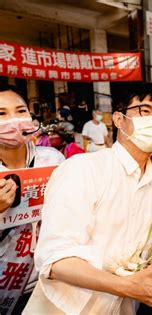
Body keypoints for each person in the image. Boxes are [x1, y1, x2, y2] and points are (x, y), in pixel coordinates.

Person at [23, 82, 152, 314]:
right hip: (65, 307)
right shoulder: (83, 169)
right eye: (145, 111)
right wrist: (127, 286)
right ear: (118, 119)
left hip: (121, 308)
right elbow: (55, 258)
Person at [0, 84, 64, 314]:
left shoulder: (53, 160)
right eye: (1, 114)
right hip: (7, 286)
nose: (13, 121)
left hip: (50, 280)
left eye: (20, 110)